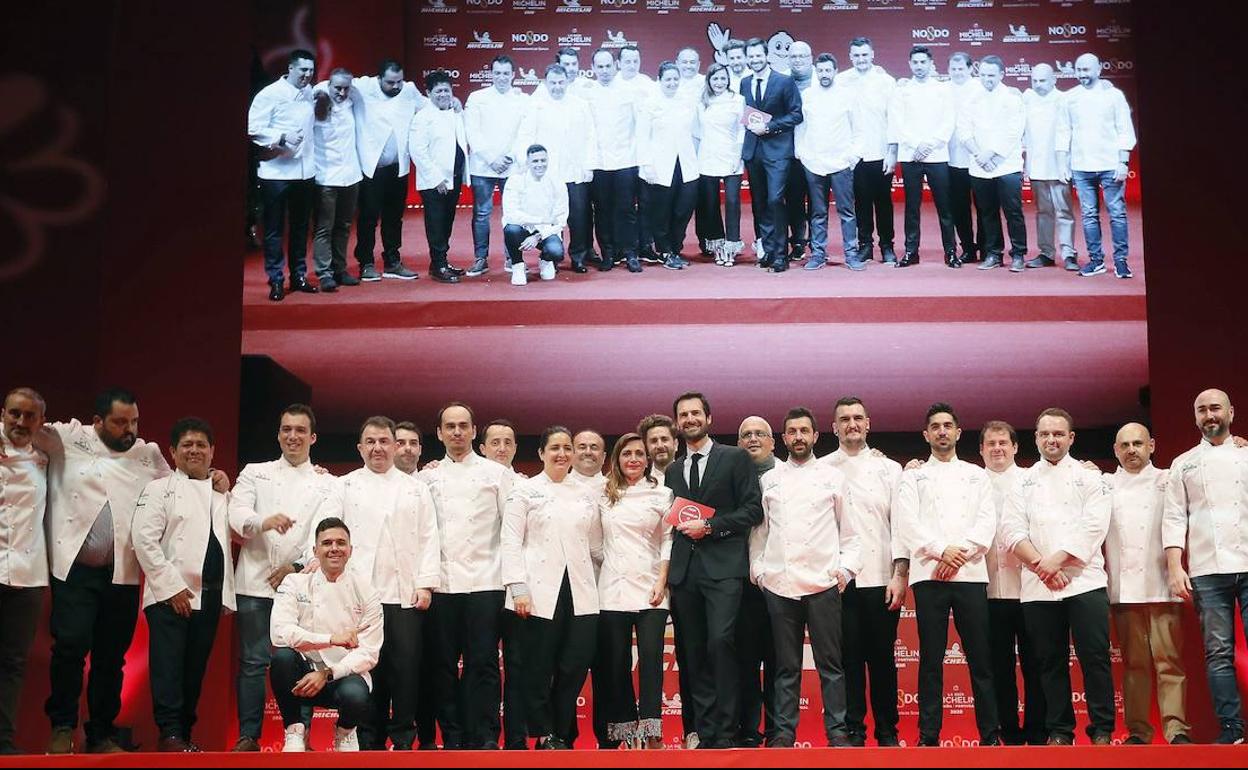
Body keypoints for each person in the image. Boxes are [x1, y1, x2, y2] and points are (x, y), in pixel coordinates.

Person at [40, 388, 180, 754]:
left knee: (111, 656)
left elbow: (176, 490)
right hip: (74, 568)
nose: (129, 429)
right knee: (70, 647)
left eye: (134, 421)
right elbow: (20, 430)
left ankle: (100, 733)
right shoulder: (69, 437)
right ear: (97, 421)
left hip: (122, 572)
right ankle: (61, 727)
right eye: (120, 423)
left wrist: (212, 479)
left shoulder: (147, 454)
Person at [227, 404, 342, 752]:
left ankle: (300, 733)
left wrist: (294, 569)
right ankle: (248, 735)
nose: (293, 436)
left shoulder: (326, 482)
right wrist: (264, 521)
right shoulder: (254, 473)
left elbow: (324, 532)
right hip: (254, 580)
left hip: (302, 583)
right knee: (252, 661)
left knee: (299, 660)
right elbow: (237, 514)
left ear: (313, 437)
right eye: (286, 430)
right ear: (278, 434)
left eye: (300, 431)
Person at [1000, 408, 1115, 745]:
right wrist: (1041, 565)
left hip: (1085, 581)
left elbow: (1094, 527)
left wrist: (1057, 562)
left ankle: (1103, 728)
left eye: (1058, 434)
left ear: (1071, 438)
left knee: (1095, 658)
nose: (1052, 440)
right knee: (1049, 662)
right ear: (1035, 438)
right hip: (1038, 587)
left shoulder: (1091, 478)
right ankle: (1061, 730)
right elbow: (1011, 530)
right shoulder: (1021, 480)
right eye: (1045, 434)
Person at [326, 416, 440, 751]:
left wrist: (426, 584)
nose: (378, 448)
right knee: (365, 668)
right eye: (371, 442)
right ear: (360, 447)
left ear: (394, 445)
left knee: (405, 669)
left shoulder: (416, 489)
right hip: (359, 597)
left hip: (405, 594)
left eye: (384, 441)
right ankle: (367, 739)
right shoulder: (344, 486)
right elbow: (327, 532)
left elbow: (428, 537)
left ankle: (404, 737)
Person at [750, 407, 860, 747]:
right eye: (792, 432)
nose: (798, 437)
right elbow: (759, 536)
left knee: (831, 665)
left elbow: (851, 534)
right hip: (780, 585)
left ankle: (837, 732)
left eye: (804, 431)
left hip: (824, 584)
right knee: (785, 667)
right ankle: (783, 733)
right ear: (783, 439)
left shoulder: (833, 477)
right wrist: (760, 574)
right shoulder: (770, 480)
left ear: (815, 436)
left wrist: (844, 570)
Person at [894, 404, 1001, 747]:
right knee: (931, 659)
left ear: (958, 432)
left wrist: (958, 554)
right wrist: (942, 551)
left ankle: (990, 733)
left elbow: (987, 522)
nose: (942, 431)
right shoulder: (912, 477)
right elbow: (907, 523)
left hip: (970, 574)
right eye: (935, 427)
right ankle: (928, 736)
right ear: (926, 435)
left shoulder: (976, 474)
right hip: (929, 575)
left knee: (981, 658)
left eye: (947, 426)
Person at [663, 392, 763, 749]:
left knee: (721, 643)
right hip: (685, 573)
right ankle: (705, 733)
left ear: (709, 418)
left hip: (724, 569)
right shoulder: (673, 470)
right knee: (694, 651)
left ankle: (727, 729)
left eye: (695, 413)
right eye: (683, 415)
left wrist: (711, 526)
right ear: (677, 423)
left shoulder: (735, 458)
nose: (689, 419)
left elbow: (753, 511)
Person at [132, 417, 236, 752]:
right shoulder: (159, 489)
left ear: (212, 451)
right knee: (169, 668)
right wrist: (170, 587)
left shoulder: (220, 494)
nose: (195, 450)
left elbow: (236, 530)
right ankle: (170, 733)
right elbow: (143, 540)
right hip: (170, 596)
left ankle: (183, 735)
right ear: (173, 452)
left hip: (210, 594)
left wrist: (226, 486)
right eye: (187, 445)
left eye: (201, 445)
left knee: (194, 670)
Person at [417, 402, 514, 750]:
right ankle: (453, 736)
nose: (457, 432)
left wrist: (513, 582)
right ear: (440, 433)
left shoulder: (498, 474)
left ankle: (486, 734)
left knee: (483, 663)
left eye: (463, 426)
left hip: (487, 582)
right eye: (450, 426)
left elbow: (512, 531)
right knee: (442, 666)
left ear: (475, 432)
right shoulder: (425, 478)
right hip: (441, 584)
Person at [502, 426, 602, 749]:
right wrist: (518, 587)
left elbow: (597, 545)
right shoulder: (525, 491)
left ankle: (561, 731)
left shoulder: (587, 494)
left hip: (582, 591)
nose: (562, 454)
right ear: (542, 453)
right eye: (554, 448)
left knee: (575, 665)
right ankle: (545, 733)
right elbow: (511, 541)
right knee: (538, 666)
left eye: (566, 448)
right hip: (537, 592)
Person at [1163, 389, 1248, 744]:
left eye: (1215, 408)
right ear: (1195, 417)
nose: (1209, 415)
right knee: (1218, 653)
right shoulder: (1184, 463)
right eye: (1202, 410)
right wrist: (1174, 566)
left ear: (1231, 412)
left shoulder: (1246, 455)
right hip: (1206, 569)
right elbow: (1173, 516)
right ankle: (1232, 730)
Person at [1101, 423, 1191, 745]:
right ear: (1115, 450)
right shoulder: (1105, 484)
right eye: (1124, 445)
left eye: (1138, 443)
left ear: (1151, 445)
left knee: (1170, 663)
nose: (1131, 450)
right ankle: (1138, 731)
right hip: (1124, 591)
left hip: (1163, 585)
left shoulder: (1169, 479)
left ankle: (1177, 729)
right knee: (1134, 665)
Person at [822, 396, 904, 747]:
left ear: (868, 424)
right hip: (839, 581)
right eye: (844, 419)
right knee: (848, 661)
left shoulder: (891, 469)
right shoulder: (823, 468)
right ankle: (853, 730)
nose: (851, 424)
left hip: (881, 578)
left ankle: (887, 731)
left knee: (883, 660)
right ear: (834, 427)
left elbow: (901, 526)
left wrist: (900, 574)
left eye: (858, 418)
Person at [269, 517, 383, 753]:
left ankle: (345, 732)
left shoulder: (367, 591)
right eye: (327, 543)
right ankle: (294, 731)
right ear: (315, 550)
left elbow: (369, 652)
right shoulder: (295, 583)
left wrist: (326, 673)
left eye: (341, 543)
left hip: (343, 674)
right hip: (302, 672)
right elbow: (280, 633)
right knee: (282, 659)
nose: (334, 548)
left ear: (350, 550)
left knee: (356, 694)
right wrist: (331, 638)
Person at [597, 433, 673, 749]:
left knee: (652, 660)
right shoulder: (603, 493)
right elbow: (593, 541)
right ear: (617, 458)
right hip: (612, 587)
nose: (633, 459)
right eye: (627, 453)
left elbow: (669, 540)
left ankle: (652, 731)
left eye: (639, 454)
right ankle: (627, 733)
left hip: (651, 586)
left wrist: (661, 581)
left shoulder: (663, 493)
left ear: (648, 459)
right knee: (616, 663)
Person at [979, 421, 1045, 745]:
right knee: (998, 668)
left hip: (1031, 588)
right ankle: (1008, 732)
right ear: (981, 450)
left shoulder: (1033, 480)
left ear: (1016, 447)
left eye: (1003, 442)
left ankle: (1037, 732)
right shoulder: (973, 482)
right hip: (989, 590)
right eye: (990, 443)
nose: (997, 448)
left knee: (1035, 665)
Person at [347, 59, 433, 282]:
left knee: (394, 218)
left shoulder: (409, 90)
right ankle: (366, 262)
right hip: (371, 168)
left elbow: (429, 105)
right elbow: (332, 84)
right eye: (390, 82)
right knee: (368, 217)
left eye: (399, 81)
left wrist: (451, 101)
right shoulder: (363, 87)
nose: (396, 86)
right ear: (378, 79)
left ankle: (392, 261)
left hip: (398, 168)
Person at [1056, 53, 1137, 278]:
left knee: (1117, 214)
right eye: (1079, 70)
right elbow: (1063, 131)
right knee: (1089, 215)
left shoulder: (1114, 95)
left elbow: (1125, 130)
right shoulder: (1069, 97)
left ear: (1099, 69)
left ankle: (1121, 261)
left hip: (1111, 164)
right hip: (1081, 166)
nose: (1082, 74)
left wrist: (1123, 162)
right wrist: (1063, 162)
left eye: (1087, 70)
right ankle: (1096, 260)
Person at [248, 49, 318, 301]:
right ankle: (275, 279)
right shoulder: (270, 94)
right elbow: (252, 127)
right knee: (275, 230)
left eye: (310, 70)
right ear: (290, 68)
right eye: (303, 70)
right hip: (275, 172)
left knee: (301, 227)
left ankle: (298, 276)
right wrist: (280, 137)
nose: (307, 75)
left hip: (305, 171)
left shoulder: (310, 92)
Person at [0, 388, 49, 755]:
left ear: (40, 421)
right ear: (3, 413)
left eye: (29, 416)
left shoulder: (46, 456)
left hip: (27, 574)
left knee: (13, 663)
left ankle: (3, 741)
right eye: (15, 414)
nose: (20, 422)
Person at [515, 65, 597, 273]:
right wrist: (526, 164)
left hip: (575, 171)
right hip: (547, 173)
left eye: (561, 82)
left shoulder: (580, 105)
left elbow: (590, 137)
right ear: (545, 82)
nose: (557, 87)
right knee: (550, 216)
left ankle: (578, 257)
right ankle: (552, 257)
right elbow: (525, 135)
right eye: (553, 83)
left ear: (567, 82)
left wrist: (589, 165)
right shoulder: (537, 106)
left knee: (578, 217)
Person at [888, 46, 958, 269]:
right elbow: (897, 121)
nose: (919, 66)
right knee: (911, 207)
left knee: (945, 206)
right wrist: (915, 144)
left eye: (923, 62)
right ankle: (911, 252)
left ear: (930, 63)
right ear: (910, 64)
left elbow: (949, 120)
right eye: (915, 62)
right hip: (910, 155)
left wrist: (931, 143)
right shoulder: (902, 90)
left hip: (937, 154)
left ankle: (951, 252)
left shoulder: (943, 89)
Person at [740, 38, 804, 272]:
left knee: (775, 200)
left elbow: (796, 115)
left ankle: (780, 254)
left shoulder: (785, 81)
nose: (755, 59)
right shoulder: (745, 83)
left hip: (778, 151)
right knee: (760, 203)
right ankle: (767, 250)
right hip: (754, 151)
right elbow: (747, 113)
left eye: (758, 55)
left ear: (766, 56)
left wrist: (770, 127)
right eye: (751, 56)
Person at [960, 56, 1028, 272]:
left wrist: (992, 155)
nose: (987, 79)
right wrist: (980, 155)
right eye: (983, 75)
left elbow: (1014, 131)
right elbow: (964, 130)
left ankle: (1018, 254)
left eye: (991, 75)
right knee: (986, 212)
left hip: (1007, 165)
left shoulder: (1012, 98)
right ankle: (993, 253)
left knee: (1013, 212)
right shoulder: (971, 98)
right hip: (979, 165)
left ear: (1001, 74)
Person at [734, 417, 778, 747]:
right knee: (745, 662)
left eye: (759, 434)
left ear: (772, 442)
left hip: (781, 582)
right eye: (745, 435)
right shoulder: (729, 477)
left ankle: (779, 732)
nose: (752, 439)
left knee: (780, 661)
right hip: (740, 584)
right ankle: (748, 731)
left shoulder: (789, 475)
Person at [465, 56, 530, 278]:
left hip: (511, 167)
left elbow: (525, 132)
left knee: (512, 213)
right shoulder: (477, 97)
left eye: (506, 73)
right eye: (497, 73)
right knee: (482, 213)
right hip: (483, 166)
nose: (501, 77)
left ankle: (513, 258)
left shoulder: (523, 100)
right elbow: (472, 131)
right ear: (490, 74)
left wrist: (509, 156)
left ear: (513, 74)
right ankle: (480, 259)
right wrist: (492, 158)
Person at [797, 53, 861, 271]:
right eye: (821, 70)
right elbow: (801, 127)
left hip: (841, 162)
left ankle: (851, 254)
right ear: (816, 71)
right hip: (814, 162)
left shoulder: (847, 95)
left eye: (828, 70)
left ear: (835, 71)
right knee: (817, 211)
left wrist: (852, 157)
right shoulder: (807, 95)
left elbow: (858, 128)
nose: (824, 74)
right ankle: (817, 254)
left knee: (847, 211)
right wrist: (803, 155)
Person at [836, 37, 896, 265]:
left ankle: (887, 246)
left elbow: (894, 118)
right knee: (860, 202)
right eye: (856, 55)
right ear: (850, 57)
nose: (861, 59)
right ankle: (865, 246)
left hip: (881, 152)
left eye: (864, 55)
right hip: (853, 155)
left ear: (872, 55)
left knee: (883, 202)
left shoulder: (886, 81)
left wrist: (892, 152)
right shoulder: (841, 81)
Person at [638, 62, 700, 272]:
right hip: (659, 165)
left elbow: (696, 131)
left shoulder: (687, 102)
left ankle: (675, 247)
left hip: (686, 163)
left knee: (683, 208)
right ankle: (665, 251)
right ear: (660, 80)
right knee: (661, 211)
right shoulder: (650, 104)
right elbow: (642, 137)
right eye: (668, 79)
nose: (672, 83)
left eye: (675, 79)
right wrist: (646, 165)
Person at [409, 70, 468, 284]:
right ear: (428, 93)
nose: (443, 94)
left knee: (447, 223)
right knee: (436, 224)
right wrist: (436, 179)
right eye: (438, 91)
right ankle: (439, 264)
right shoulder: (423, 117)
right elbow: (418, 151)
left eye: (447, 90)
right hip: (434, 183)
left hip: (453, 177)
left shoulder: (455, 112)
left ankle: (440, 263)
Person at [310, 68, 363, 293]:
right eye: (337, 88)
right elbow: (315, 89)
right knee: (324, 228)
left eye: (345, 88)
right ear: (328, 86)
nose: (341, 92)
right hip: (325, 176)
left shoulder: (352, 102)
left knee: (344, 226)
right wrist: (322, 92)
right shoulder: (316, 103)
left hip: (351, 174)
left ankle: (340, 269)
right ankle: (324, 273)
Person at [1022, 64, 1078, 271]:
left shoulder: (1063, 100)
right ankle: (1046, 253)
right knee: (1043, 212)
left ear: (1054, 80)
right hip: (1037, 166)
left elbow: (1067, 133)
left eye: (1042, 80)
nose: (1038, 84)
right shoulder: (1027, 100)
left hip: (1059, 166)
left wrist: (1066, 164)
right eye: (1034, 80)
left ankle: (1069, 253)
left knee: (1064, 211)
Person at [697, 64, 746, 267]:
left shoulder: (738, 99)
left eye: (723, 79)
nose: (719, 83)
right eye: (715, 79)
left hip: (732, 155)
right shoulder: (702, 102)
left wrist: (738, 154)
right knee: (710, 203)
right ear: (709, 80)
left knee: (733, 202)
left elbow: (743, 129)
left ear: (728, 79)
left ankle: (731, 246)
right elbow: (696, 131)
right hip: (707, 156)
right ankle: (717, 245)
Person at [502, 145, 569, 286]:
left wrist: (537, 236)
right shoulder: (515, 180)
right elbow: (511, 214)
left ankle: (545, 260)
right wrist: (540, 220)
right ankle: (517, 265)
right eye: (535, 161)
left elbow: (560, 219)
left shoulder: (557, 182)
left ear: (548, 161)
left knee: (556, 252)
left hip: (546, 231)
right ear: (527, 163)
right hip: (522, 227)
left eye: (543, 160)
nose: (540, 165)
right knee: (511, 229)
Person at [946, 52, 983, 264]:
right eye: (953, 69)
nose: (957, 73)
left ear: (971, 69)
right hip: (952, 159)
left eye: (961, 68)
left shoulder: (980, 88)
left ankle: (987, 247)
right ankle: (968, 247)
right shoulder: (942, 90)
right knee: (959, 207)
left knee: (984, 207)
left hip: (979, 158)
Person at [783, 41, 814, 265]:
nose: (798, 60)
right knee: (793, 200)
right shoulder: (782, 81)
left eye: (802, 56)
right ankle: (798, 242)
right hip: (790, 151)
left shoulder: (826, 77)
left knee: (817, 201)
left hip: (818, 151)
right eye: (794, 56)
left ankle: (818, 242)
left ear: (810, 57)